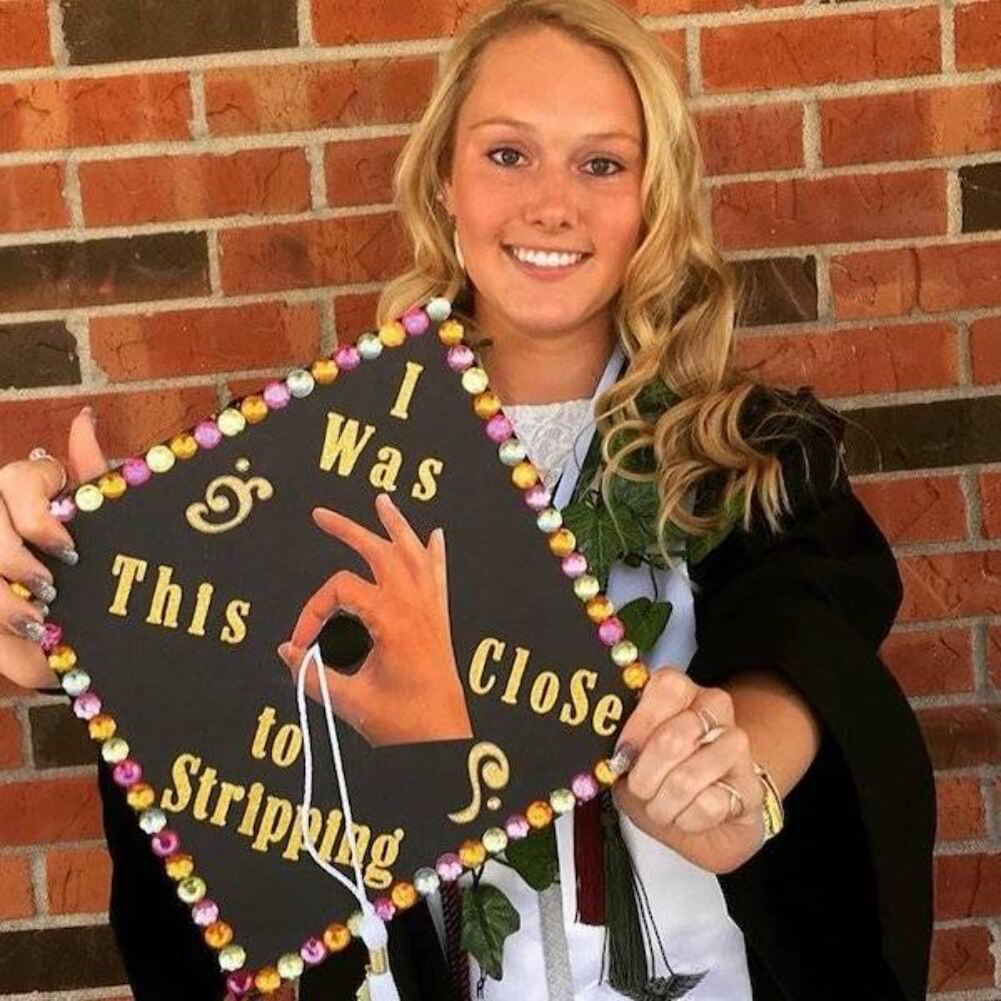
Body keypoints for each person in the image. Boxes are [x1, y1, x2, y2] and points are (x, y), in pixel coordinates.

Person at [0, 1, 935, 999]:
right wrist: (78, 602)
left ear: (652, 199)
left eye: (601, 163)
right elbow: (226, 697)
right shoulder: (318, 460)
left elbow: (805, 643)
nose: (551, 204)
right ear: (443, 180)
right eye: (506, 154)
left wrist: (739, 771)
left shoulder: (752, 456)